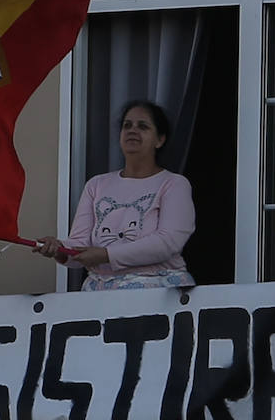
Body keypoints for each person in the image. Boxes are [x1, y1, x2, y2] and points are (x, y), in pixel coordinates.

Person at [37, 100, 195, 290]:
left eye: (142, 126)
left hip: (157, 292)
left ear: (159, 140)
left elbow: (167, 243)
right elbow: (80, 244)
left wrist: (106, 255)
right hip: (100, 291)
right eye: (127, 125)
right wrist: (58, 248)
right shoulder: (96, 184)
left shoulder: (173, 184)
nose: (132, 130)